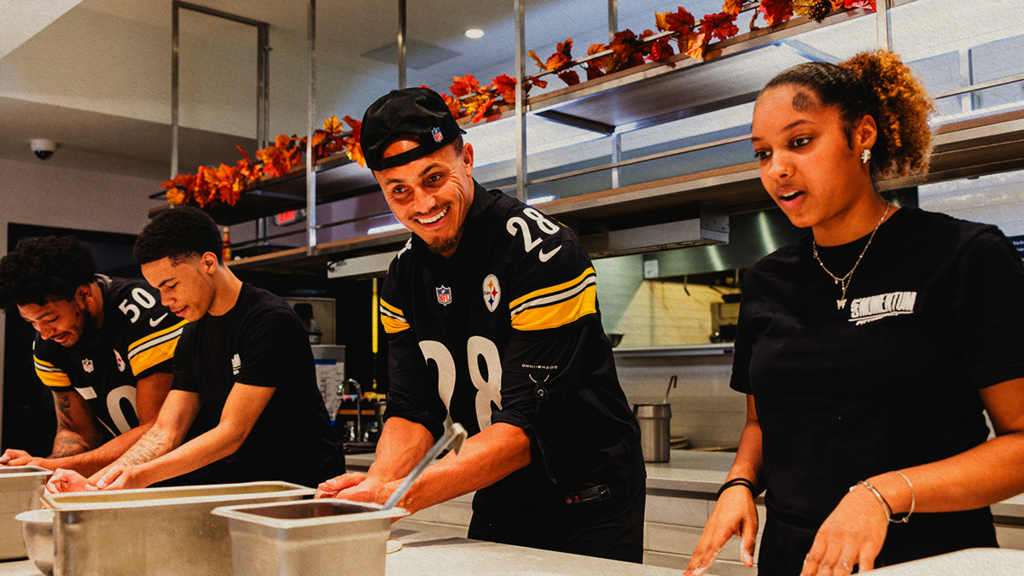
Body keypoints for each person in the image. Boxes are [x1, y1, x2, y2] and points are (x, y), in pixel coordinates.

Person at [684, 51, 1024, 576]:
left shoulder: (964, 255)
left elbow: (1021, 442)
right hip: (796, 561)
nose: (778, 169)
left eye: (800, 142)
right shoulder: (766, 281)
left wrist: (883, 493)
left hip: (928, 559)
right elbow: (760, 422)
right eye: (762, 153)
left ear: (861, 134)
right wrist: (739, 483)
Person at [314, 87, 646, 562]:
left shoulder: (543, 253)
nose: (422, 203)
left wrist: (397, 495)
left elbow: (522, 430)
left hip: (588, 499)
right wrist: (377, 485)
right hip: (496, 485)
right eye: (399, 191)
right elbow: (412, 411)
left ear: (466, 158)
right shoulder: (402, 279)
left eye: (434, 178)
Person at [45, 206, 345, 492]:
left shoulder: (269, 321)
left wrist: (137, 477)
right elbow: (166, 430)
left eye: (170, 285)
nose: (165, 301)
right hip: (249, 486)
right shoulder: (193, 332)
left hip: (305, 485)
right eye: (158, 290)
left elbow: (231, 432)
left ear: (208, 263)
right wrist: (97, 482)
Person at [0, 236, 183, 477]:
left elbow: (156, 431)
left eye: (50, 318)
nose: (43, 333)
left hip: (192, 476)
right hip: (121, 478)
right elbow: (77, 432)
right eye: (31, 322)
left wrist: (50, 467)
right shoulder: (48, 344)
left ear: (84, 294)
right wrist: (46, 472)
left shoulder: (147, 316)